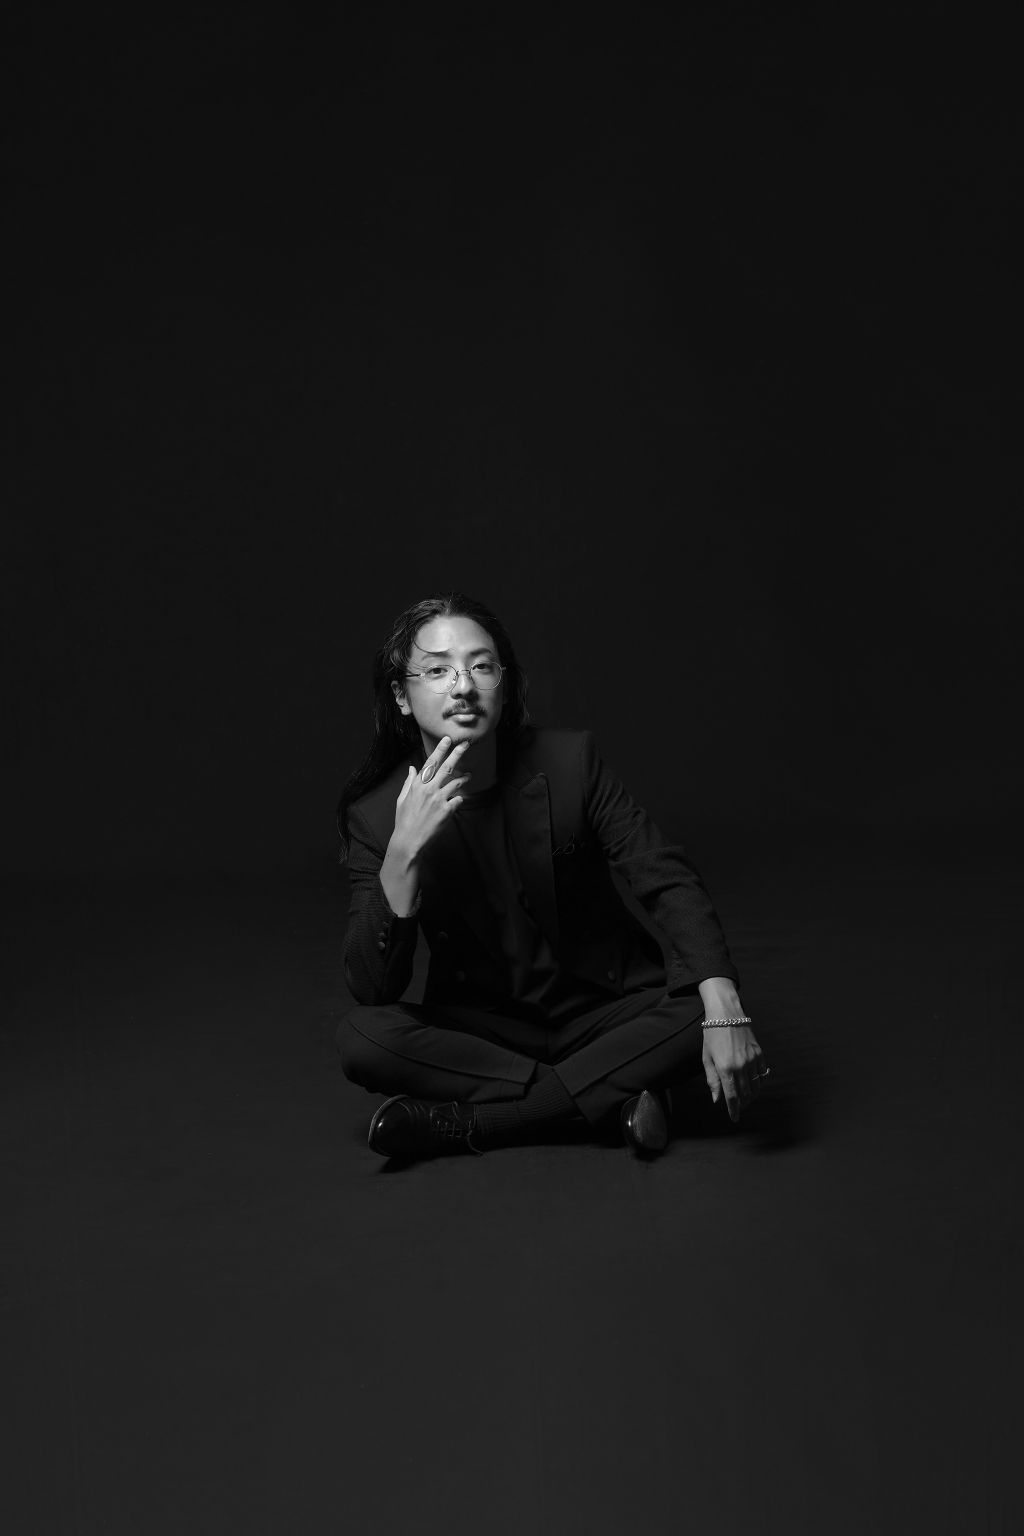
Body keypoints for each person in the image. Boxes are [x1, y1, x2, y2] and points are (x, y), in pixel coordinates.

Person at [336, 592, 769, 1161]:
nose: (463, 686)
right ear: (401, 694)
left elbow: (663, 875)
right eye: (437, 671)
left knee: (702, 1007)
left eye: (481, 666)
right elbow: (373, 989)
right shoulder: (376, 817)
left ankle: (483, 1123)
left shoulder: (569, 763)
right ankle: (613, 1091)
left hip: (605, 1010)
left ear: (504, 682)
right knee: (362, 1038)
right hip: (486, 1030)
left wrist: (725, 1002)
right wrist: (402, 855)